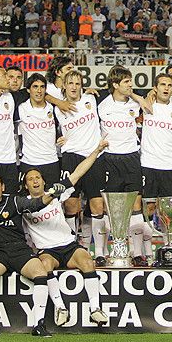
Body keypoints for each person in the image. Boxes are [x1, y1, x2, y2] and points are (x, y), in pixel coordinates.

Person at [21, 139, 109, 327]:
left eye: (37, 177)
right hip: (47, 250)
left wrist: (97, 150)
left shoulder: (56, 192)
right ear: (26, 185)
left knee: (86, 260)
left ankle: (95, 309)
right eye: (30, 179)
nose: (35, 181)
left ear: (44, 181)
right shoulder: (22, 204)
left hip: (68, 246)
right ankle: (61, 309)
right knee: (44, 265)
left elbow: (79, 172)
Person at [0, 174, 64, 337]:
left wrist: (51, 195)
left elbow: (36, 204)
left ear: (2, 187)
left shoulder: (15, 201)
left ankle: (39, 325)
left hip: (20, 250)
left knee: (40, 272)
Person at [97, 66, 152, 261]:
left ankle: (137, 253)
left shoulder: (135, 105)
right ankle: (103, 253)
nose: (131, 85)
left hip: (131, 158)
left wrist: (135, 96)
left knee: (136, 204)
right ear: (115, 85)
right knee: (111, 207)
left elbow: (149, 108)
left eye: (131, 81)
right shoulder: (101, 105)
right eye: (127, 82)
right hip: (110, 159)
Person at [54, 69, 106, 259]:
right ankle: (71, 247)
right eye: (70, 83)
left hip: (94, 157)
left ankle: (99, 251)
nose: (74, 87)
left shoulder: (92, 99)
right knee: (70, 205)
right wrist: (58, 139)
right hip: (71, 157)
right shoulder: (57, 108)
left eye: (77, 83)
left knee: (98, 206)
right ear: (64, 86)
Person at [139, 73, 172, 263]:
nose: (166, 88)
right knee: (149, 208)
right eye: (162, 84)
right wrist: (146, 97)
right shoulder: (146, 107)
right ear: (155, 87)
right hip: (148, 165)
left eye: (169, 85)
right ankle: (146, 252)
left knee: (171, 212)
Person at [16, 74, 61, 187]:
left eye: (42, 87)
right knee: (28, 201)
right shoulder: (20, 109)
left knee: (53, 200)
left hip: (51, 161)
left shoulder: (53, 108)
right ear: (28, 89)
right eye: (35, 87)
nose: (39, 90)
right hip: (29, 162)